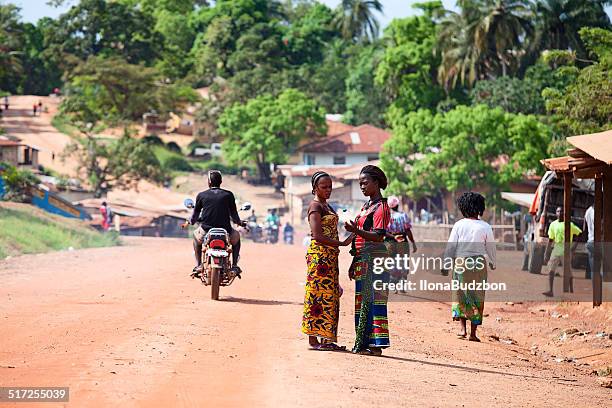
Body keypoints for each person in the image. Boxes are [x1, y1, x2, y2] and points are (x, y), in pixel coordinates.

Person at [303, 171, 353, 351]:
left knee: (330, 296)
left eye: (330, 186)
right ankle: (313, 341)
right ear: (315, 188)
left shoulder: (327, 206)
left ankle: (326, 340)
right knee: (316, 296)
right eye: (324, 187)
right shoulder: (315, 206)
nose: (328, 190)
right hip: (319, 258)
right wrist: (342, 242)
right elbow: (317, 235)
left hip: (330, 258)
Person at [344, 165, 391, 356]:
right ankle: (363, 343)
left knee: (374, 302)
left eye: (365, 183)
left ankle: (375, 345)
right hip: (363, 259)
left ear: (376, 183)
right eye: (360, 184)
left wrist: (355, 231)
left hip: (376, 259)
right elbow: (359, 239)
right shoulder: (366, 206)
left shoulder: (381, 208)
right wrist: (353, 261)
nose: (362, 187)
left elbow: (379, 236)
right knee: (362, 302)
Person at [445, 192, 496, 342]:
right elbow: (491, 247)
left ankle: (462, 330)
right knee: (477, 295)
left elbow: (451, 246)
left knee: (461, 293)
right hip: (479, 264)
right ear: (480, 208)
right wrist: (493, 261)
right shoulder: (485, 226)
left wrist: (446, 262)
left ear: (463, 208)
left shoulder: (459, 225)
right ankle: (473, 334)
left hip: (461, 262)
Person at [187, 170, 246, 277]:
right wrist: (240, 223)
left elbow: (195, 215)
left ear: (209, 182)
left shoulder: (201, 195)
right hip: (226, 231)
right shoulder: (229, 195)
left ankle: (199, 265)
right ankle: (235, 265)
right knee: (236, 239)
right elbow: (234, 215)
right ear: (221, 181)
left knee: (196, 238)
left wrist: (191, 221)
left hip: (206, 231)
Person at [543, 206, 582, 296]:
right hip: (556, 250)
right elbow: (551, 239)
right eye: (558, 211)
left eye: (561, 212)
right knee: (551, 270)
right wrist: (546, 252)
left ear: (564, 214)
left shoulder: (569, 224)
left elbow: (579, 233)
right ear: (556, 213)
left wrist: (574, 246)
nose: (560, 213)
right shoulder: (553, 224)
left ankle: (571, 291)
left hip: (566, 251)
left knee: (568, 271)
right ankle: (550, 290)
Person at [386, 196, 417, 292]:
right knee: (404, 264)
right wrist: (413, 243)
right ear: (397, 205)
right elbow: (408, 231)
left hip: (390, 242)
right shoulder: (403, 216)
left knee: (392, 263)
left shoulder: (386, 217)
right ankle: (402, 286)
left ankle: (394, 285)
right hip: (402, 242)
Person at [584, 205, 594, 279]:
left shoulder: (588, 211)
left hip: (590, 241)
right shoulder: (603, 211)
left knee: (594, 271)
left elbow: (584, 228)